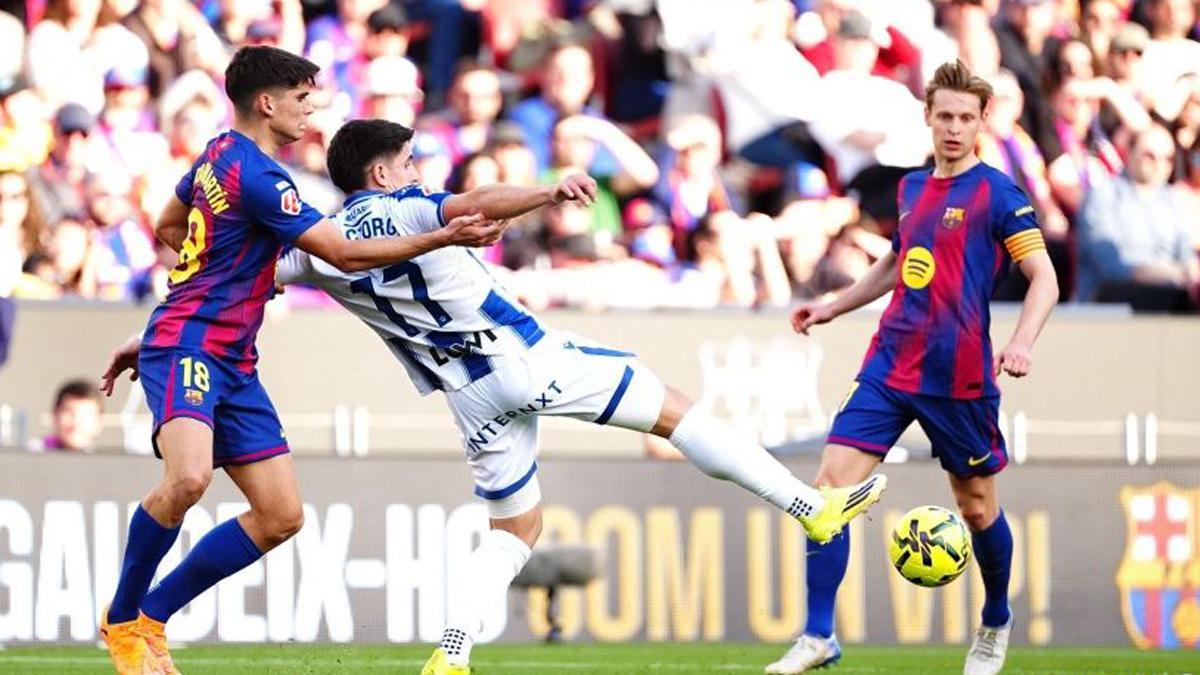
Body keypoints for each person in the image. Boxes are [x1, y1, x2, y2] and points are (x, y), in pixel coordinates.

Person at [274, 118, 889, 675]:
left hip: (466, 395)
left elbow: (266, 275)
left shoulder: (319, 247)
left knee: (515, 528)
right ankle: (812, 508)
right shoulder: (405, 207)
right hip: (521, 357)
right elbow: (474, 200)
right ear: (380, 173)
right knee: (674, 410)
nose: (417, 172)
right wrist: (547, 192)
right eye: (408, 162)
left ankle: (450, 654)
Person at [94, 46, 505, 675]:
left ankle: (151, 615)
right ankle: (123, 620)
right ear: (267, 102)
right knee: (188, 479)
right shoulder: (262, 177)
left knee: (280, 516)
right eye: (302, 99)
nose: (311, 112)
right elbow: (342, 253)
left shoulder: (217, 155)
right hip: (189, 345)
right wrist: (444, 236)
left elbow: (169, 222)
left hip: (232, 356)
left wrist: (225, 275)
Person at [765, 61, 1059, 675]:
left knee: (977, 508)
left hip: (960, 376)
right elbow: (899, 264)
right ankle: (819, 635)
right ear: (927, 117)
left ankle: (996, 620)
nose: (954, 128)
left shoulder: (998, 194)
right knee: (827, 493)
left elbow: (1044, 279)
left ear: (981, 122)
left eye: (966, 118)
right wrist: (831, 306)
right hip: (890, 362)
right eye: (944, 116)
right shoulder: (910, 190)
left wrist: (1023, 341)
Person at [1075, 125, 1199, 310]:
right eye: (1149, 155)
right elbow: (1112, 268)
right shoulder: (1103, 195)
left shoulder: (1172, 201)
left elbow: (1185, 254)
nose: (1159, 164)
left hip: (1170, 292)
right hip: (1110, 298)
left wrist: (1190, 276)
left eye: (1167, 159)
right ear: (1129, 152)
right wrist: (1171, 274)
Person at [29, 379, 104, 452]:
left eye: (85, 415)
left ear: (99, 422)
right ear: (55, 415)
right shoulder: (32, 454)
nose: (76, 422)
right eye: (69, 412)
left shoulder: (104, 462)